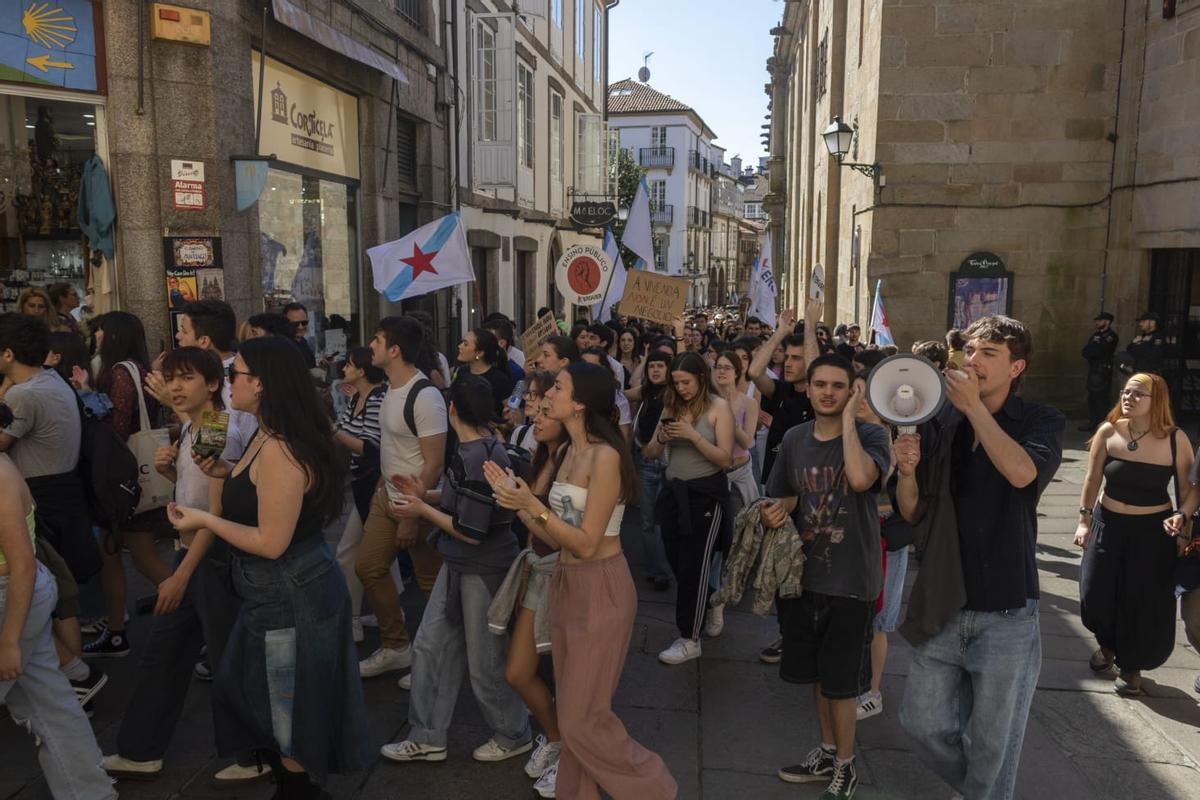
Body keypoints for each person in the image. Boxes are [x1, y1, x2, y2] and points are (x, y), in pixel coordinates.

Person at [166, 335, 371, 794]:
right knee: (266, 701)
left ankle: (298, 790)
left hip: (289, 592)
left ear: (260, 383)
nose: (230, 383)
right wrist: (225, 472)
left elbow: (271, 542)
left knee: (285, 711)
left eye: (235, 374)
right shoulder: (266, 433)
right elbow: (262, 492)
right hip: (277, 591)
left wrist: (205, 520)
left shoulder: (279, 446)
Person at [485, 363, 678, 800]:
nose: (546, 394)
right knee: (574, 713)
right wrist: (518, 502)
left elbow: (588, 543)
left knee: (582, 721)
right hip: (566, 582)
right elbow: (559, 534)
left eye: (557, 386)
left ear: (578, 403)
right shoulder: (568, 452)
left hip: (600, 588)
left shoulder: (605, 457)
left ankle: (655, 788)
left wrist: (531, 505)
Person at [894, 315, 1065, 800]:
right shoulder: (943, 421)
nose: (973, 361)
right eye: (969, 350)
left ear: (1016, 367)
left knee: (994, 744)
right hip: (945, 600)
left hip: (1007, 609)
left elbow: (1023, 474)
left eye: (989, 353)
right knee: (920, 723)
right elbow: (912, 511)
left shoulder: (1040, 420)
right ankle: (978, 791)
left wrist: (974, 410)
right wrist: (905, 471)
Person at [101, 347, 260, 783]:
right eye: (170, 378)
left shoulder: (214, 428)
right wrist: (172, 472)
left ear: (213, 384)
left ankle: (254, 754)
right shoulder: (195, 426)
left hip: (209, 559)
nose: (175, 387)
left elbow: (214, 513)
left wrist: (180, 574)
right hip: (193, 555)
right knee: (165, 655)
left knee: (226, 659)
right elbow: (196, 496)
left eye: (186, 378)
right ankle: (140, 750)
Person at [379, 375, 532, 764]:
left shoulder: (478, 456)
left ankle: (513, 733)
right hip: (461, 563)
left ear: (451, 410)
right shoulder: (477, 448)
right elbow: (463, 502)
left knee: (486, 662)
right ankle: (428, 735)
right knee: (431, 646)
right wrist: (425, 495)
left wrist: (421, 508)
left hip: (480, 567)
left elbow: (471, 531)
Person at [760, 354, 889, 798]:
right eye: (821, 385)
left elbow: (860, 479)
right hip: (805, 576)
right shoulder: (795, 438)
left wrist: (850, 420)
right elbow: (786, 495)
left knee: (841, 685)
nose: (828, 393)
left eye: (838, 385)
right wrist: (775, 510)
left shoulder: (872, 435)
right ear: (809, 389)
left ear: (852, 391)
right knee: (817, 677)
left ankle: (847, 767)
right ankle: (828, 751)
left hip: (852, 580)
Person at [0, 404, 117, 800]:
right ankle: (91, 793)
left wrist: (10, 640)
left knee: (52, 705)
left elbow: (21, 565)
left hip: (13, 597)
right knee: (51, 705)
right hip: (22, 595)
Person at [1075, 373, 1191, 695]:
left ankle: (1131, 667)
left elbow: (1188, 490)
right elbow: (1091, 479)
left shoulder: (1175, 439)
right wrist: (1084, 520)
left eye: (1138, 394)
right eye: (1126, 392)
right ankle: (1107, 645)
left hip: (1152, 533)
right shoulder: (1109, 431)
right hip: (1107, 524)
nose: (1128, 397)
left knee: (1141, 599)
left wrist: (1182, 520)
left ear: (1157, 400)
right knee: (1094, 593)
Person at [358, 317, 447, 678]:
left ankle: (439, 660)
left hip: (418, 506)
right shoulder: (388, 390)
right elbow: (395, 445)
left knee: (432, 584)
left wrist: (412, 514)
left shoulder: (425, 396)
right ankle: (397, 646)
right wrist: (382, 483)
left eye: (377, 340)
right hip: (388, 498)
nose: (371, 346)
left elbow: (434, 463)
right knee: (368, 567)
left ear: (394, 350)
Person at [642, 352, 734, 665]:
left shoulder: (718, 407)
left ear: (701, 379)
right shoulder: (671, 405)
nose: (681, 388)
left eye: (686, 382)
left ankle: (689, 637)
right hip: (673, 493)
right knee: (678, 562)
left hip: (705, 495)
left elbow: (725, 459)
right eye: (676, 382)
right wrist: (661, 437)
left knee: (694, 565)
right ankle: (712, 598)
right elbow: (650, 452)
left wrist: (693, 436)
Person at [85, 311, 168, 658]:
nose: (96, 336)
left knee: (143, 559)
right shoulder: (140, 369)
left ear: (114, 334)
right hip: (129, 478)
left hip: (123, 481)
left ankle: (201, 620)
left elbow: (116, 429)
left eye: (101, 330)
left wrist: (87, 397)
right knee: (114, 554)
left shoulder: (121, 372)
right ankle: (116, 629)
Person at [498, 396, 567, 797]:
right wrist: (514, 500)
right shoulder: (540, 456)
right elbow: (536, 533)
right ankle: (556, 738)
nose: (535, 418)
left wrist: (521, 506)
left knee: (568, 679)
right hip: (538, 572)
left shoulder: (576, 461)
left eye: (545, 412)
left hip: (566, 576)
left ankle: (572, 754)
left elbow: (562, 539)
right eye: (534, 411)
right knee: (518, 672)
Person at [747, 303, 820, 664]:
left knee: (808, 572)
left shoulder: (819, 397)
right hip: (777, 494)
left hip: (811, 500)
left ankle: (805, 637)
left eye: (795, 358)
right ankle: (787, 634)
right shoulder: (781, 393)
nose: (787, 363)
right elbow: (754, 370)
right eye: (785, 358)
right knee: (780, 568)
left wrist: (811, 329)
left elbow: (818, 370)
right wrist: (780, 331)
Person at [331, 347, 400, 643]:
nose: (343, 369)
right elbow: (345, 431)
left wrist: (333, 431)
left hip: (374, 483)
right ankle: (392, 612)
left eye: (348, 364)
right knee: (379, 556)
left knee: (349, 553)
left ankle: (354, 621)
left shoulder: (377, 399)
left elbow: (370, 448)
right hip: (363, 483)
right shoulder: (357, 397)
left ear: (361, 371)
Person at [630, 351, 674, 591]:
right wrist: (644, 358)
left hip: (668, 463)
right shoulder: (646, 392)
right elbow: (622, 393)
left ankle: (664, 571)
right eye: (652, 366)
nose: (655, 370)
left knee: (662, 522)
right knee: (647, 521)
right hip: (645, 463)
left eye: (660, 366)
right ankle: (654, 568)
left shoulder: (675, 393)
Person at [457, 328, 514, 418]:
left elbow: (512, 414)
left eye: (465, 344)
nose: (460, 346)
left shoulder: (499, 380)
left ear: (479, 353)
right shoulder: (462, 372)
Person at [1082, 312, 1119, 432]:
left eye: (1100, 320)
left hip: (1103, 370)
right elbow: (1085, 351)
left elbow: (1101, 351)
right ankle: (1093, 422)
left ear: (1107, 322)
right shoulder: (1096, 335)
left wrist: (1093, 350)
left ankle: (1102, 423)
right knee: (1092, 397)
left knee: (1101, 398)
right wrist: (1093, 350)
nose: (1097, 322)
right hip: (1094, 369)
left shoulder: (1111, 336)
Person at [482, 316, 526, 385]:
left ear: (502, 343)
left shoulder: (515, 372)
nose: (483, 342)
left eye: (488, 339)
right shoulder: (484, 366)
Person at [283, 301, 317, 369]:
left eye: (304, 323)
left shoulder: (303, 341)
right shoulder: (282, 348)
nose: (300, 327)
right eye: (295, 324)